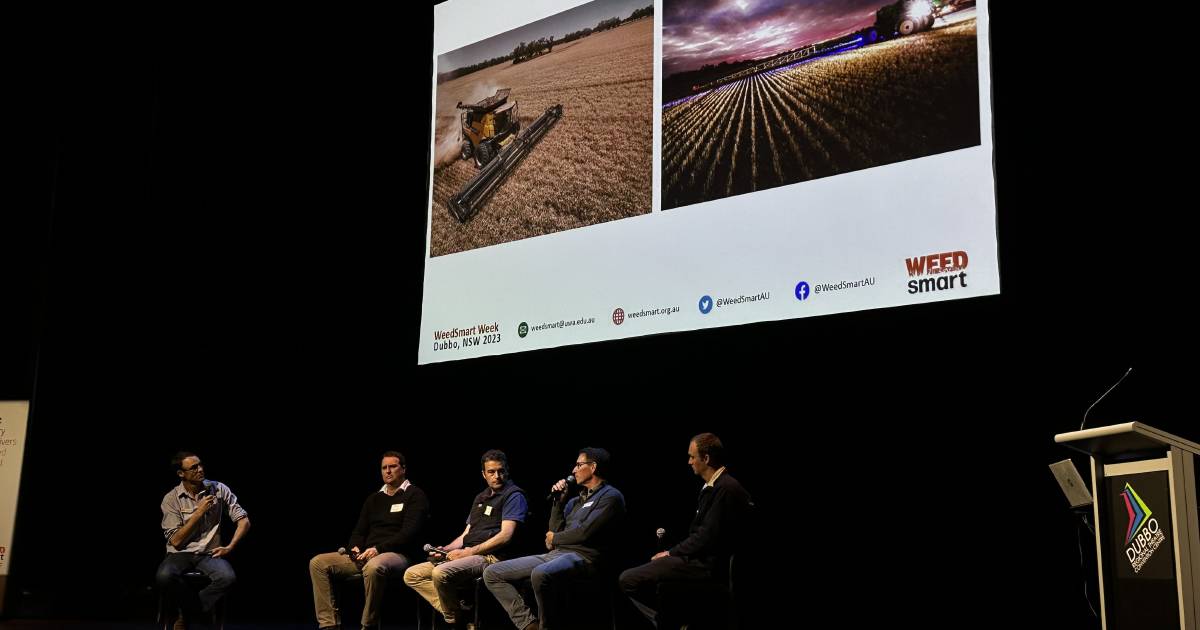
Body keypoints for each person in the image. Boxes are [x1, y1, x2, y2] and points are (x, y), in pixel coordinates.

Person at [483, 447, 625, 630]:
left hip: (586, 558)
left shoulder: (611, 497)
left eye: (579, 465)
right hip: (558, 554)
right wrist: (558, 502)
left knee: (541, 573)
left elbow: (584, 533)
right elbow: (554, 531)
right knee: (492, 573)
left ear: (593, 467)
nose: (573, 470)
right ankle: (529, 625)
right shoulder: (575, 501)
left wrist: (555, 538)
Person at [619, 433, 752, 627]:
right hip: (697, 558)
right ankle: (673, 620)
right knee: (646, 574)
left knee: (627, 579)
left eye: (692, 456)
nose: (689, 462)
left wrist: (671, 552)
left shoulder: (725, 488)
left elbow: (706, 537)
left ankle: (669, 622)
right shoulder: (713, 486)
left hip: (705, 565)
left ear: (705, 458)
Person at [404, 449, 528, 628]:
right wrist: (446, 549)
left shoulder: (514, 496)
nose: (497, 476)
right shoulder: (481, 497)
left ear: (507, 470)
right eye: (491, 472)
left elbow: (505, 536)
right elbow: (465, 535)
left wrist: (469, 552)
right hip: (468, 553)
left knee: (441, 573)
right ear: (484, 474)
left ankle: (455, 620)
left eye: (501, 471)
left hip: (491, 557)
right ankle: (460, 614)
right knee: (412, 574)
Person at [308, 451, 429, 630]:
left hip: (398, 554)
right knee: (318, 563)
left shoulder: (415, 495)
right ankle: (329, 625)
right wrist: (355, 548)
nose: (388, 471)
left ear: (403, 469)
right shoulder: (374, 499)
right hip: (367, 553)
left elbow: (408, 534)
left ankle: (368, 625)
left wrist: (378, 549)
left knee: (374, 567)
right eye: (384, 468)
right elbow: (359, 531)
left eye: (393, 466)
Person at [157, 451, 251, 628]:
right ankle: (198, 613)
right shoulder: (171, 499)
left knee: (227, 577)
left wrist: (229, 547)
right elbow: (176, 541)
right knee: (164, 576)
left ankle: (188, 614)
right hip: (180, 553)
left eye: (200, 465)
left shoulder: (219, 489)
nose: (200, 469)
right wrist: (198, 512)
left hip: (209, 553)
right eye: (193, 468)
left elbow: (244, 521)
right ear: (181, 474)